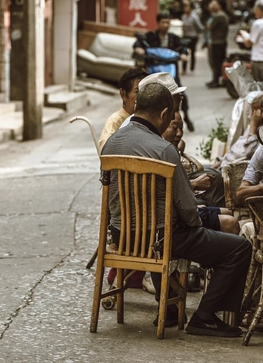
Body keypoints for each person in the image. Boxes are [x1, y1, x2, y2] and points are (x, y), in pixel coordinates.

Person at [102, 83, 252, 336]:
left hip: (122, 237)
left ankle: (172, 309)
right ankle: (204, 317)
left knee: (175, 233)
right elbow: (187, 208)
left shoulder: (112, 144)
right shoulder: (164, 150)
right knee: (239, 248)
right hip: (162, 238)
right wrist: (198, 225)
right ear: (163, 114)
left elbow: (110, 198)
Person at [194, 93, 263, 208]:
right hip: (223, 166)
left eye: (258, 111)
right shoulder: (257, 127)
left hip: (231, 173)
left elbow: (247, 151)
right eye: (253, 111)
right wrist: (221, 161)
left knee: (194, 178)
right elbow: (236, 147)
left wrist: (253, 125)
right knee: (199, 171)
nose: (254, 115)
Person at [162, 112, 239, 235]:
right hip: (176, 221)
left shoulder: (169, 149)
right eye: (174, 128)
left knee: (227, 212)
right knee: (233, 225)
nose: (180, 133)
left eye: (181, 128)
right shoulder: (161, 152)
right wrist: (193, 185)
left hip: (182, 211)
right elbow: (165, 191)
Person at [133, 14, 195, 132]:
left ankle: (186, 117)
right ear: (158, 23)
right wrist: (139, 49)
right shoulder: (150, 37)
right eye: (163, 22)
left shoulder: (174, 38)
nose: (165, 25)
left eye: (167, 22)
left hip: (170, 71)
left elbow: (184, 48)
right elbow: (138, 43)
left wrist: (184, 54)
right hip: (153, 70)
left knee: (181, 95)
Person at [99, 67, 149, 151]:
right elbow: (107, 153)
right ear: (123, 94)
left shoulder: (151, 118)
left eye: (145, 91)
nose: (142, 96)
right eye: (137, 92)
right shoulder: (115, 121)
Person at [205, 0, 229, 89]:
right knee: (218, 61)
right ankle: (217, 79)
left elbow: (209, 26)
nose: (211, 6)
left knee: (216, 62)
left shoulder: (219, 16)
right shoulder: (220, 15)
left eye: (213, 4)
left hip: (218, 42)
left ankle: (217, 80)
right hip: (219, 41)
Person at [180, 1, 203, 76]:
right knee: (184, 52)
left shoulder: (194, 17)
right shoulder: (183, 16)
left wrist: (198, 32)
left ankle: (192, 69)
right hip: (185, 36)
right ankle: (184, 69)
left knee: (192, 52)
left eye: (187, 7)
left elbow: (199, 27)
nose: (186, 9)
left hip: (193, 36)